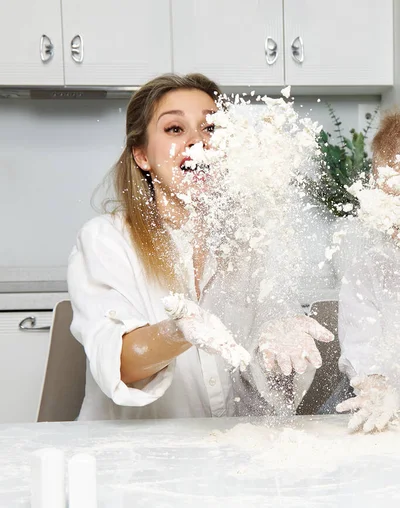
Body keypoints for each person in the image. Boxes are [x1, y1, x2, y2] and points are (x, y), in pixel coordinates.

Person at [68, 73, 333, 420]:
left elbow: (267, 392)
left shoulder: (248, 243)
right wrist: (176, 331)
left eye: (211, 129)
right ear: (142, 155)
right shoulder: (106, 240)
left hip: (221, 454)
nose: (198, 142)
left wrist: (282, 351)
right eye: (175, 129)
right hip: (133, 457)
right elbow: (121, 365)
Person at [336, 111, 400, 432]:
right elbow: (364, 346)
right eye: (386, 199)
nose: (394, 216)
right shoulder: (368, 271)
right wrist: (375, 388)